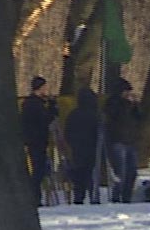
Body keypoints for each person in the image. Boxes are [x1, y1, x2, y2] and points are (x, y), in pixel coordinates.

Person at [104, 78, 143, 203]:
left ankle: (127, 196)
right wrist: (128, 104)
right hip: (117, 140)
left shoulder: (130, 104)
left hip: (130, 141)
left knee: (132, 171)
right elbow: (118, 117)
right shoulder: (113, 103)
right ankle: (116, 196)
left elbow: (139, 118)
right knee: (120, 172)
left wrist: (136, 106)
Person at [21, 76, 58, 206]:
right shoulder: (35, 104)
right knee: (39, 170)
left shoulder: (29, 103)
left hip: (34, 140)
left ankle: (35, 197)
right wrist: (53, 108)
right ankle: (35, 197)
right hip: (37, 141)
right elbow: (45, 120)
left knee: (39, 169)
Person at [63, 86, 102, 204]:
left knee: (79, 173)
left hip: (77, 147)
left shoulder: (73, 114)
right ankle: (93, 195)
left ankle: (79, 196)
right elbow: (99, 131)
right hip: (92, 147)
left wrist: (71, 143)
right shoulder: (95, 114)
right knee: (90, 172)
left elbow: (67, 131)